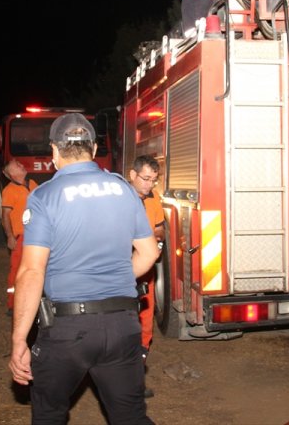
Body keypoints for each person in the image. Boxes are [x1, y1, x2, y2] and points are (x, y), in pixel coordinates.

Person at [9, 113, 159, 424]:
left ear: (54, 151)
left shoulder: (44, 196)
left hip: (67, 330)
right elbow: (149, 254)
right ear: (93, 149)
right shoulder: (124, 189)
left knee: (49, 414)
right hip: (122, 325)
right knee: (130, 416)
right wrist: (115, 278)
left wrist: (19, 338)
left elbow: (32, 272)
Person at [127, 154, 166, 399]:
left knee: (144, 325)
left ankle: (135, 381)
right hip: (121, 273)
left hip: (146, 275)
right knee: (122, 326)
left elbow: (160, 228)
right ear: (133, 175)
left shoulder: (153, 198)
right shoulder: (120, 199)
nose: (149, 184)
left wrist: (157, 238)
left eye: (153, 180)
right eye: (145, 178)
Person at [1, 158, 38, 317]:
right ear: (12, 173)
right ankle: (13, 304)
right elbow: (5, 216)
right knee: (16, 271)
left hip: (36, 235)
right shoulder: (9, 191)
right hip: (21, 237)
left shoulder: (32, 184)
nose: (22, 165)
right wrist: (10, 236)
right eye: (17, 165)